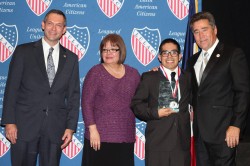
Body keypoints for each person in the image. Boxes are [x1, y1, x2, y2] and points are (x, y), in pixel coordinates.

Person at [1, 9, 80, 166]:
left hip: (55, 129)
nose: (53, 28)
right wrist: (9, 121)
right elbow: (11, 89)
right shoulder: (23, 52)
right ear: (43, 25)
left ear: (64, 30)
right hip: (24, 127)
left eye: (59, 25)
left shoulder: (71, 58)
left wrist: (70, 128)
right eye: (50, 23)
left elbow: (73, 96)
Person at [186, 11, 250, 166]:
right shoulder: (193, 60)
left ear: (215, 30)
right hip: (200, 134)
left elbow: (243, 92)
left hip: (224, 132)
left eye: (204, 29)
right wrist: (160, 73)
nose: (201, 36)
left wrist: (236, 125)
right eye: (196, 31)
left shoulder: (232, 54)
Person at [81, 33, 140, 166]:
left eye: (113, 49)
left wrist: (154, 75)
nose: (108, 53)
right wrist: (93, 130)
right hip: (99, 137)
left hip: (125, 136)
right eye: (105, 49)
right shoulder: (95, 72)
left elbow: (142, 98)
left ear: (121, 51)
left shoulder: (133, 74)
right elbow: (86, 103)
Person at [131, 38, 191, 166]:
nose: (169, 56)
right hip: (157, 142)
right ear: (159, 57)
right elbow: (136, 105)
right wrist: (155, 113)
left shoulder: (188, 77)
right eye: (165, 53)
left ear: (180, 56)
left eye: (174, 52)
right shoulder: (149, 77)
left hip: (181, 143)